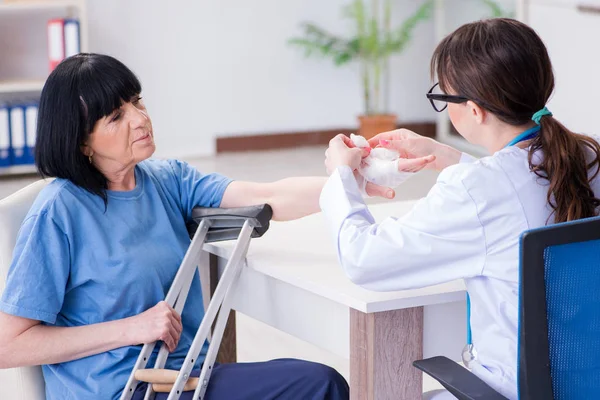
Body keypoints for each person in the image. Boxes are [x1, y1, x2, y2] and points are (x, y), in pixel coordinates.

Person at [0, 53, 434, 400]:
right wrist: (130, 329)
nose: (139, 118)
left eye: (137, 101)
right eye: (116, 116)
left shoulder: (165, 181)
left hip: (186, 378)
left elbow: (268, 196)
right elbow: (9, 345)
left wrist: (351, 182)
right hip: (123, 390)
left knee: (315, 383)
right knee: (320, 385)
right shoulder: (59, 211)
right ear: (81, 141)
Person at [320, 18, 600, 400]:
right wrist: (452, 159)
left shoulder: (476, 188)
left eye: (443, 99)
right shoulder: (587, 156)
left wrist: (340, 177)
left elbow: (363, 259)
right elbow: (513, 198)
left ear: (473, 110)